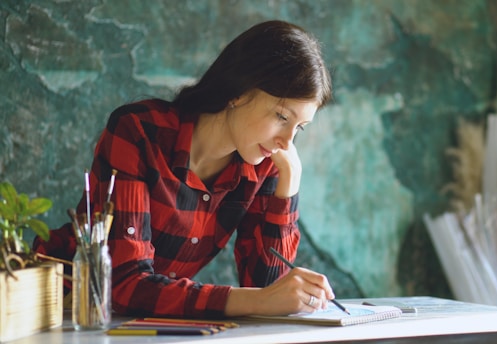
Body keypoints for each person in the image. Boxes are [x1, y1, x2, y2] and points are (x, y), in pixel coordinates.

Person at [34, 20, 334, 319]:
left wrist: (290, 184)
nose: (286, 142)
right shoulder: (139, 131)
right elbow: (126, 283)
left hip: (139, 327)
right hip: (59, 310)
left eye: (300, 129)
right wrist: (259, 301)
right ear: (239, 92)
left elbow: (267, 290)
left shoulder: (266, 163)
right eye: (282, 116)